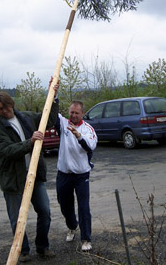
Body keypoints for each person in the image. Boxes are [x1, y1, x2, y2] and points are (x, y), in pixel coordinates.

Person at [0, 80, 59, 262]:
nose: (4, 112)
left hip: (35, 175)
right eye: (0, 110)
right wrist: (29, 142)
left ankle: (43, 247)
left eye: (5, 107)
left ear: (11, 104)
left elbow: (49, 120)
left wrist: (53, 97)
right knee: (17, 219)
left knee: (44, 211)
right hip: (14, 180)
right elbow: (8, 151)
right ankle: (23, 250)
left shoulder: (27, 117)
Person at [55, 101, 97, 252]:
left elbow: (89, 146)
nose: (73, 115)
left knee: (84, 207)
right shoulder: (63, 123)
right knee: (64, 204)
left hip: (81, 175)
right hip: (64, 174)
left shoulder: (88, 129)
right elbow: (53, 113)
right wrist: (54, 95)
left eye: (76, 113)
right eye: (71, 112)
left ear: (82, 114)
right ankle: (72, 226)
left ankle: (86, 239)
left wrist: (78, 135)